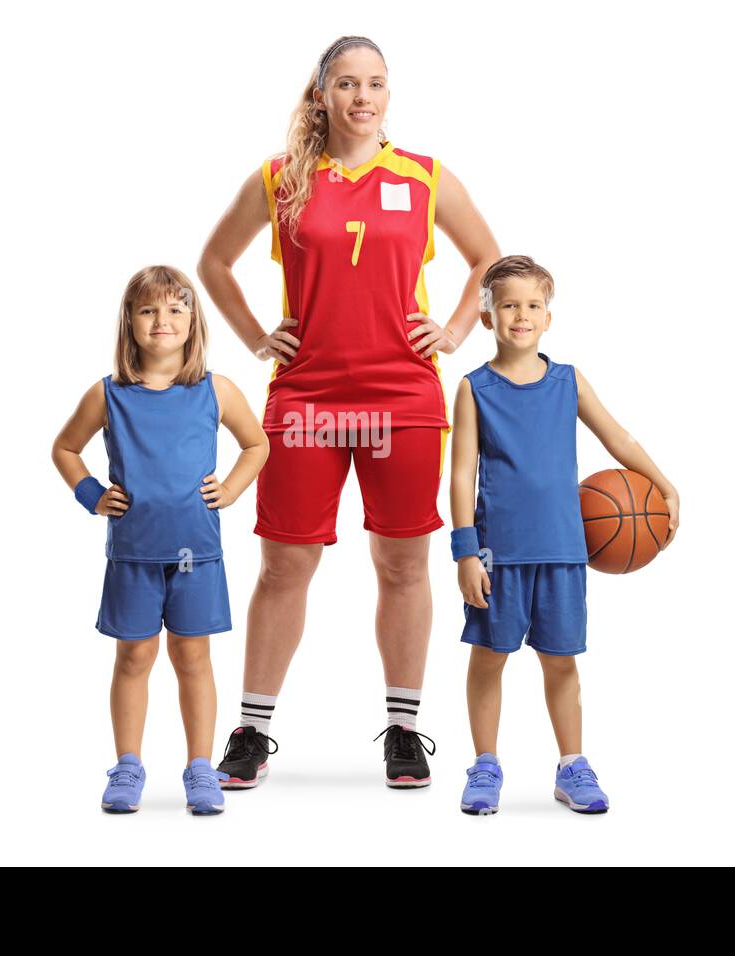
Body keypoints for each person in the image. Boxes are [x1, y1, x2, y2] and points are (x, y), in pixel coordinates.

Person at [197, 36, 500, 789]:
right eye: (347, 84)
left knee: (402, 562)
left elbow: (489, 261)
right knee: (285, 563)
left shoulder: (425, 177)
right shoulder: (281, 181)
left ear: (388, 96)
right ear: (322, 94)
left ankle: (403, 729)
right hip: (308, 398)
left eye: (376, 84)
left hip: (403, 397)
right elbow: (213, 263)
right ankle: (252, 730)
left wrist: (457, 330)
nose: (363, 97)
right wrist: (257, 337)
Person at [449, 255, 680, 815]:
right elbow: (460, 474)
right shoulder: (473, 388)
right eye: (508, 305)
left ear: (548, 317)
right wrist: (464, 553)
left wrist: (663, 483)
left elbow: (618, 437)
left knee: (561, 662)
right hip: (496, 555)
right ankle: (485, 763)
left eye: (532, 306)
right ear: (487, 317)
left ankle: (572, 764)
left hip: (563, 551)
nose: (521, 316)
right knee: (488, 657)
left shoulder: (568, 381)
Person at [51, 265, 269, 815]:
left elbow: (257, 444)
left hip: (198, 555)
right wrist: (91, 495)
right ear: (130, 321)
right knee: (134, 658)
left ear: (193, 321)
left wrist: (232, 490)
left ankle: (200, 767)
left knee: (193, 658)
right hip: (132, 555)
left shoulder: (215, 389)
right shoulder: (109, 394)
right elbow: (64, 449)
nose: (162, 320)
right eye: (148, 310)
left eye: (176, 308)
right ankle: (128, 765)